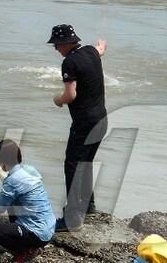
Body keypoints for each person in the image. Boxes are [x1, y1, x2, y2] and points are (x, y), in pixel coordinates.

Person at [47, 23, 108, 231]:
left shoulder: (70, 63)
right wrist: (102, 44)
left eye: (57, 45)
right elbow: (100, 49)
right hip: (101, 119)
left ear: (65, 43)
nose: (56, 49)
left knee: (72, 164)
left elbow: (70, 94)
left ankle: (73, 218)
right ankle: (89, 205)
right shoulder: (91, 51)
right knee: (86, 162)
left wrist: (58, 100)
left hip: (84, 123)